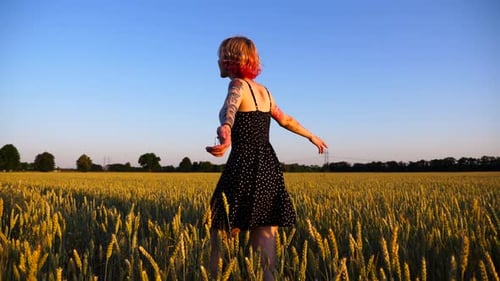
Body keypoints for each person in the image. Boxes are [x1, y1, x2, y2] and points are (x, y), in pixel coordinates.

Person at [205, 36, 328, 281]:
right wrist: (311, 136)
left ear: (231, 60)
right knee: (264, 237)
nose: (217, 60)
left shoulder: (237, 85)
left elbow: (231, 107)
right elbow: (285, 120)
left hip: (244, 163)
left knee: (219, 228)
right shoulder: (265, 92)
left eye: (221, 56)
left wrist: (226, 129)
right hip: (268, 166)